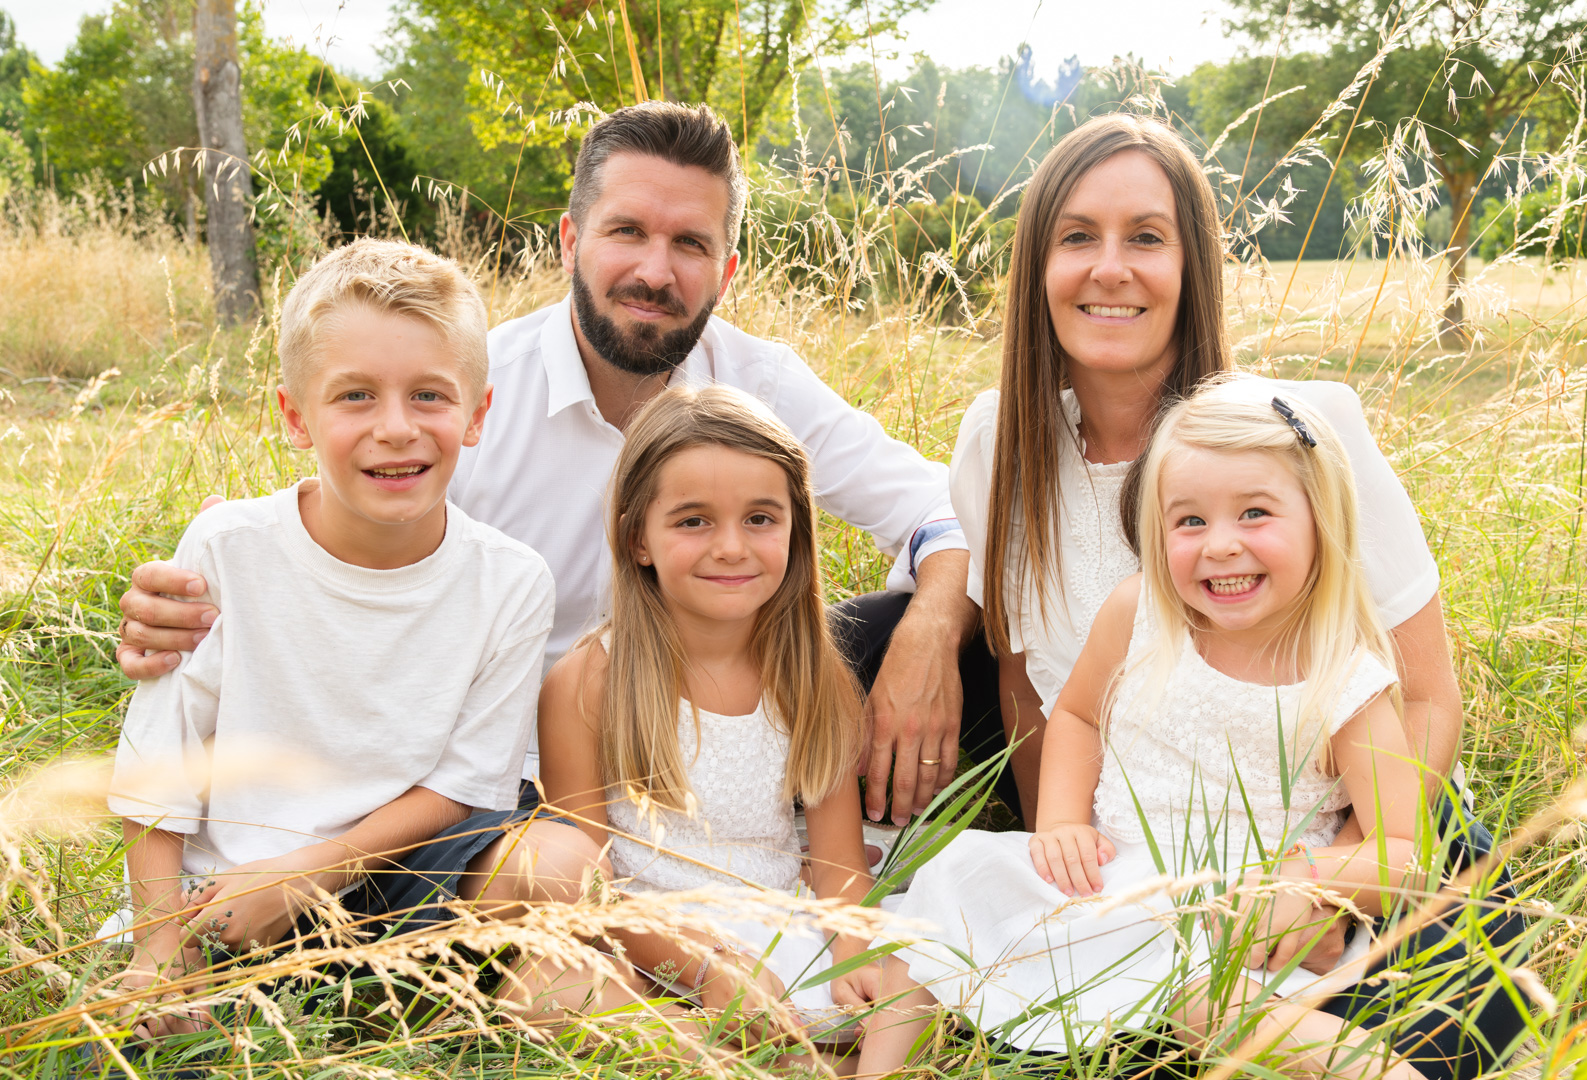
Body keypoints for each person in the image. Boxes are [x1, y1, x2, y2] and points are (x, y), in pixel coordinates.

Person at [112, 101, 995, 830]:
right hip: (520, 766)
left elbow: (946, 509)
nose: (655, 270)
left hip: (720, 727)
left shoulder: (759, 383)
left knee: (958, 628)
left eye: (689, 244)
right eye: (627, 232)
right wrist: (196, 598)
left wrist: (928, 634)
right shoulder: (466, 393)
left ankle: (1000, 842)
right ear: (570, 241)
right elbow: (345, 521)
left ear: (726, 267)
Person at [945, 113, 1523, 1075]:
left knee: (1427, 1040)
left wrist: (1325, 883)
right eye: (1077, 236)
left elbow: (1425, 696)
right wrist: (1066, 840)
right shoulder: (999, 441)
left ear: (1192, 264)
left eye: (1147, 237)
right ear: (1036, 266)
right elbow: (1032, 687)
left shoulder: (1301, 432)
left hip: (1357, 834)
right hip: (1149, 865)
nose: (1110, 267)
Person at [106, 239, 603, 1041]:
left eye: (430, 396)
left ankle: (403, 991)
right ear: (297, 416)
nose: (396, 429)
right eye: (356, 396)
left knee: (564, 865)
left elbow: (465, 787)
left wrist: (304, 875)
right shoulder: (228, 546)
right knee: (172, 1018)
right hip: (231, 895)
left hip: (395, 870)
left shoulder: (511, 580)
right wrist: (158, 948)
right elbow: (159, 763)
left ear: (478, 414)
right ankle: (241, 979)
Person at [861, 378, 1430, 1078]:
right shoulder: (1139, 614)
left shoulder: (1344, 678)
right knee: (951, 885)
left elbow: (1402, 848)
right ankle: (881, 1070)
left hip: (1228, 915)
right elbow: (1075, 715)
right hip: (1113, 880)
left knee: (1214, 1006)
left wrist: (1303, 882)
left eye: (1255, 514)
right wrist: (1062, 823)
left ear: (1322, 519)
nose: (1220, 545)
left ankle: (1371, 1068)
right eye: (1189, 521)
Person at [529, 385, 879, 1047]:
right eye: (693, 521)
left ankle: (803, 1054)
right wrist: (703, 966)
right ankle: (735, 1051)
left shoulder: (815, 677)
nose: (730, 548)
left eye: (760, 519)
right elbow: (586, 888)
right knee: (546, 988)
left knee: (912, 982)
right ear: (639, 539)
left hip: (778, 927)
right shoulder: (588, 682)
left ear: (795, 529)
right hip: (647, 943)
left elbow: (838, 870)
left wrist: (856, 957)